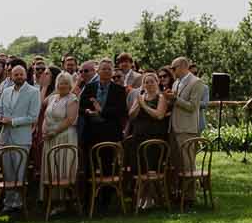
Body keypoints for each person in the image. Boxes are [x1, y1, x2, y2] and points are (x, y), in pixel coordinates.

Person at [0, 60, 40, 215]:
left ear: (26, 75)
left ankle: (19, 204)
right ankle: (8, 203)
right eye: (16, 74)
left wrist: (13, 121)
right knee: (8, 172)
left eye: (21, 74)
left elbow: (33, 117)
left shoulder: (34, 92)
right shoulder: (6, 91)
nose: (19, 76)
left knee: (19, 172)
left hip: (21, 138)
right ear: (11, 76)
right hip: (5, 137)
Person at [78, 58, 127, 193]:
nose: (106, 71)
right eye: (103, 69)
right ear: (98, 71)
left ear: (112, 72)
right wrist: (88, 111)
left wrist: (101, 110)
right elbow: (80, 107)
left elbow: (121, 111)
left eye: (109, 69)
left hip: (109, 133)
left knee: (108, 166)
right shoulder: (89, 87)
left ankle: (106, 199)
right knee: (90, 166)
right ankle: (89, 199)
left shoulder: (119, 90)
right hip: (91, 133)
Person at [124, 72, 170, 207]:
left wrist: (144, 105)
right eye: (146, 82)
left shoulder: (161, 97)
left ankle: (151, 197)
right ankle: (142, 196)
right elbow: (131, 115)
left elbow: (159, 115)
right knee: (140, 167)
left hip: (154, 138)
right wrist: (139, 104)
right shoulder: (140, 97)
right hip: (139, 136)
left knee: (151, 167)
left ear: (157, 83)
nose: (149, 84)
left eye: (152, 82)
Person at [41, 71, 80, 202]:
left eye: (65, 83)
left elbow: (70, 119)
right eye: (60, 83)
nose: (62, 85)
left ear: (70, 85)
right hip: (50, 138)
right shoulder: (52, 98)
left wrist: (55, 131)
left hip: (64, 137)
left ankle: (65, 201)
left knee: (63, 167)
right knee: (52, 168)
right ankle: (53, 200)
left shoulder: (72, 98)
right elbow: (44, 110)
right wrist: (44, 131)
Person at [169, 58, 208, 182]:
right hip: (173, 127)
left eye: (173, 68)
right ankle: (178, 194)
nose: (172, 71)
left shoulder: (197, 82)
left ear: (182, 67)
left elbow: (192, 106)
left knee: (187, 164)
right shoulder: (176, 83)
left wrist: (175, 99)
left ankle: (189, 198)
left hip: (187, 129)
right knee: (176, 163)